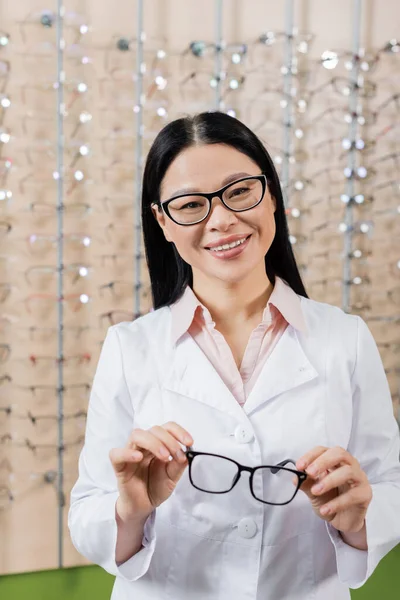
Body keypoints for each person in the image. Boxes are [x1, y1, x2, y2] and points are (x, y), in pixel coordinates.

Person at [68, 112, 400, 600]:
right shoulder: (129, 347)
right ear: (162, 222)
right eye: (189, 205)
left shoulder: (345, 339)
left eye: (239, 191)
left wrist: (359, 517)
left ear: (271, 196)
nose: (221, 219)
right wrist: (130, 511)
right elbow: (87, 513)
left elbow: (388, 484)